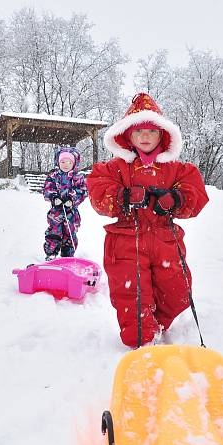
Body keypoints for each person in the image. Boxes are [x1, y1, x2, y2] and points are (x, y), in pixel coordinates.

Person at [87, 93, 209, 348]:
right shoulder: (114, 167)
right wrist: (123, 196)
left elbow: (195, 194)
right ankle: (143, 338)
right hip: (126, 241)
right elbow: (99, 192)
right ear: (128, 135)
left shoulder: (177, 169)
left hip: (165, 239)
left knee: (178, 291)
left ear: (162, 135)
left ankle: (158, 323)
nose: (145, 136)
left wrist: (176, 199)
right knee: (132, 297)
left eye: (152, 131)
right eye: (139, 130)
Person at [43, 146, 87, 260]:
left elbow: (83, 191)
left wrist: (72, 199)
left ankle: (67, 254)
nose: (65, 164)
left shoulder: (77, 177)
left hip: (71, 212)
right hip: (56, 211)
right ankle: (51, 251)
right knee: (54, 230)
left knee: (69, 231)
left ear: (74, 163)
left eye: (68, 162)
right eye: (62, 161)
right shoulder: (54, 176)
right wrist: (53, 197)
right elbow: (47, 188)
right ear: (58, 162)